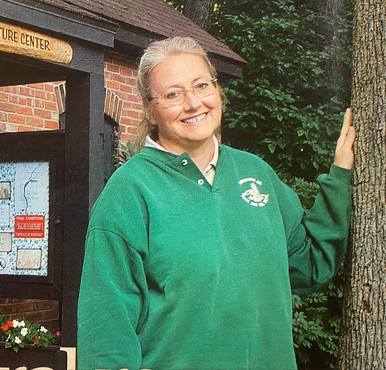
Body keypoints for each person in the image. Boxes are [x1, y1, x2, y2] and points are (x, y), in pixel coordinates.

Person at [77, 37, 355, 370]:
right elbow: (106, 325)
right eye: (173, 94)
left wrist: (339, 177)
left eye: (201, 85)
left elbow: (312, 265)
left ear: (217, 90)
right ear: (150, 109)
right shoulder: (130, 190)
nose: (193, 103)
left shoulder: (256, 173)